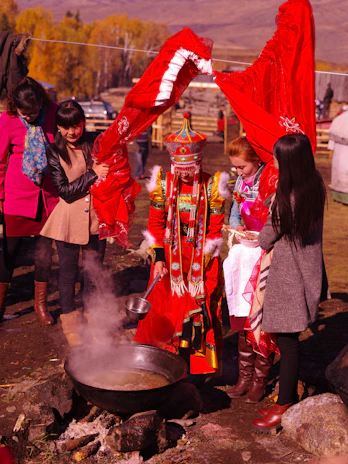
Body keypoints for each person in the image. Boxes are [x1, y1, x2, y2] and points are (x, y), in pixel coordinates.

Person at [133, 114, 228, 376]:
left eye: (190, 172)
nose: (185, 178)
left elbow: (215, 229)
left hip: (201, 261)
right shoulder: (163, 185)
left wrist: (201, 262)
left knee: (197, 308)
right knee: (166, 310)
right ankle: (164, 362)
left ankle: (194, 369)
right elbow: (155, 224)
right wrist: (160, 258)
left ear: (198, 164)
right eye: (180, 172)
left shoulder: (212, 187)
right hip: (169, 259)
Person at [252, 133, 326, 432]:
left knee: (287, 339)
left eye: (278, 158)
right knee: (290, 336)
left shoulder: (290, 196)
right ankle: (285, 394)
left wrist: (258, 233)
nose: (274, 162)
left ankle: (284, 403)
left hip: (290, 274)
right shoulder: (315, 183)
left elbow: (268, 235)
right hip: (305, 269)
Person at [40, 100, 109, 346]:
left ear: (83, 123)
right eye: (65, 126)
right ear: (58, 127)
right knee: (68, 272)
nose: (72, 131)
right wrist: (93, 174)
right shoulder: (53, 150)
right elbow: (65, 191)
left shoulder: (95, 141)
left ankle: (93, 315)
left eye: (76, 125)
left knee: (93, 270)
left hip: (97, 217)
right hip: (68, 218)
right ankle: (70, 319)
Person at [0, 77, 59, 325]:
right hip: (16, 196)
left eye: (35, 112)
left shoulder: (54, 113)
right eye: (26, 113)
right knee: (9, 252)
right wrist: (0, 197)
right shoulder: (7, 120)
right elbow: (0, 162)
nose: (31, 117)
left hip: (48, 197)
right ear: (16, 107)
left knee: (44, 252)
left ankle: (41, 305)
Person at [223, 136, 276, 403]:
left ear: (257, 160)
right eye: (234, 167)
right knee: (244, 314)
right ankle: (244, 376)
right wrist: (237, 225)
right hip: (246, 250)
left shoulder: (270, 180)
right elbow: (234, 211)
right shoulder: (241, 182)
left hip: (266, 252)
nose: (238, 172)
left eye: (242, 167)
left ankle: (259, 378)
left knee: (261, 314)